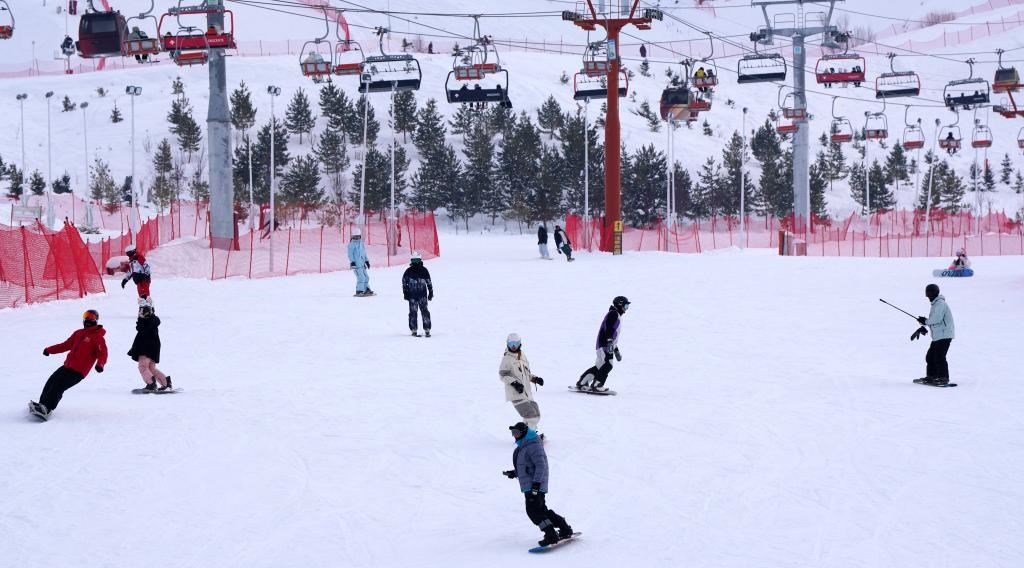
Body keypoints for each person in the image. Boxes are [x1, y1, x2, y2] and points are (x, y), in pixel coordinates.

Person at [502, 422, 574, 547]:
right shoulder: (525, 445)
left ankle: (551, 535)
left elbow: (541, 466)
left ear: (524, 432)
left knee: (533, 512)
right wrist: (514, 473)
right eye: (513, 433)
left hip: (534, 485)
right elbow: (528, 467)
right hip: (532, 485)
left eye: (517, 433)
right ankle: (564, 528)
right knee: (541, 510)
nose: (515, 436)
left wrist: (536, 485)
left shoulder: (533, 446)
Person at [29, 310, 108, 420]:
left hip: (79, 371)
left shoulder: (98, 337)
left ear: (96, 319)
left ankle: (47, 409)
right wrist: (49, 350)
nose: (88, 319)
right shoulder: (78, 333)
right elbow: (65, 345)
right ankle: (42, 405)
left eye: (91, 317)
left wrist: (100, 364)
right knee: (51, 381)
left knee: (58, 385)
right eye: (86, 316)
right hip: (67, 366)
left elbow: (102, 353)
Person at [576, 296, 629, 392]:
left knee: (600, 366)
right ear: (620, 305)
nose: (626, 309)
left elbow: (613, 334)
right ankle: (597, 384)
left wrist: (616, 350)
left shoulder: (614, 314)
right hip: (605, 344)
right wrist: (609, 341)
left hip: (604, 344)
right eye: (625, 306)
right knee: (608, 364)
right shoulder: (614, 314)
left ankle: (583, 382)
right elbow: (608, 328)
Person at [911, 284, 955, 386]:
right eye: (928, 294)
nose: (929, 297)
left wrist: (925, 321)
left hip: (944, 335)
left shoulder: (940, 303)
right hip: (939, 335)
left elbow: (936, 319)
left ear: (935, 293)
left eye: (930, 294)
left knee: (939, 357)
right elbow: (935, 321)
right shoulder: (936, 304)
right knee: (930, 357)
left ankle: (943, 378)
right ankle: (932, 376)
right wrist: (924, 326)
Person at [499, 334, 545, 430]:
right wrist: (514, 383)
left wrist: (535, 379)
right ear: (507, 344)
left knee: (536, 414)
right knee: (532, 416)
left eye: (515, 343)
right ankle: (529, 437)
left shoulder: (522, 355)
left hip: (527, 393)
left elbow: (526, 373)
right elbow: (503, 375)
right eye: (511, 344)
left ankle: (527, 434)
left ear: (520, 343)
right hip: (516, 393)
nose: (513, 346)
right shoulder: (507, 358)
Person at [128, 305, 172, 392]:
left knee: (143, 367)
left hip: (146, 350)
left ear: (150, 312)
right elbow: (140, 336)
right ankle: (165, 383)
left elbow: (142, 330)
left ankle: (151, 383)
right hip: (152, 350)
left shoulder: (148, 323)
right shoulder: (151, 322)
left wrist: (140, 319)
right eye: (140, 311)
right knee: (151, 368)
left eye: (143, 311)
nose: (141, 314)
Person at [402, 251, 433, 336]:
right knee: (413, 312)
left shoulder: (424, 270)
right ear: (411, 261)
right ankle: (413, 329)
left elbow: (429, 282)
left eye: (417, 260)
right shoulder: (408, 271)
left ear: (420, 260)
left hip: (422, 295)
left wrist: (430, 292)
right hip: (412, 296)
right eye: (413, 261)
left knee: (425, 311)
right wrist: (406, 293)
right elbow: (404, 282)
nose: (415, 262)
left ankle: (427, 329)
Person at [122, 244, 153, 314]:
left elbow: (146, 266)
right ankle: (143, 308)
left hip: (144, 279)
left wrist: (146, 274)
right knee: (141, 294)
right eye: (127, 254)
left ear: (133, 251)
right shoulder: (131, 261)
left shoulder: (139, 257)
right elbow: (130, 271)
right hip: (138, 280)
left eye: (129, 253)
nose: (128, 255)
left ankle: (148, 308)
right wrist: (125, 280)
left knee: (145, 293)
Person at [348, 227, 373, 296]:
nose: (357, 238)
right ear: (353, 236)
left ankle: (366, 289)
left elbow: (364, 253)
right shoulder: (351, 245)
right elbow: (350, 254)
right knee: (361, 277)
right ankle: (359, 290)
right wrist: (352, 262)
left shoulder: (361, 243)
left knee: (366, 277)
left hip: (362, 264)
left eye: (358, 236)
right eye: (355, 237)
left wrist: (367, 261)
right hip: (356, 265)